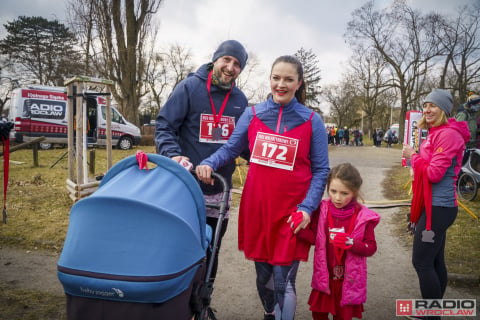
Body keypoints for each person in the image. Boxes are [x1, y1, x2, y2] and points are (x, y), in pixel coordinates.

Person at [196, 55, 330, 320]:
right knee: (264, 278)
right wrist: (208, 163)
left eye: (288, 79)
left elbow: (321, 170)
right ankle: (270, 312)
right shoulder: (252, 114)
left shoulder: (312, 120)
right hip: (259, 209)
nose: (281, 84)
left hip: (294, 213)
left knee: (284, 279)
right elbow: (231, 148)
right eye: (276, 78)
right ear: (270, 79)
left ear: (299, 83)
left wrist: (306, 208)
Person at [155, 39, 249, 284]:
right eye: (226, 60)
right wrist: (173, 155)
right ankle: (175, 302)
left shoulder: (240, 100)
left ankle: (201, 302)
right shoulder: (189, 87)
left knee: (211, 251)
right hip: (185, 187)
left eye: (237, 64)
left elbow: (246, 145)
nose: (230, 67)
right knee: (179, 246)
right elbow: (164, 126)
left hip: (219, 189)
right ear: (215, 59)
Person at [402, 89, 470, 320]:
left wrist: (413, 157)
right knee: (434, 260)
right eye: (425, 106)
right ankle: (433, 312)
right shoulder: (436, 132)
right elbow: (428, 168)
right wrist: (416, 168)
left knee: (421, 261)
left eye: (434, 106)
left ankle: (431, 315)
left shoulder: (448, 135)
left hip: (438, 209)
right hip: (433, 206)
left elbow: (433, 174)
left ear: (444, 110)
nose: (428, 110)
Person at [296, 163, 380, 320]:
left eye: (344, 193)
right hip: (324, 277)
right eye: (333, 191)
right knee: (318, 313)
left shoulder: (363, 217)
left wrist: (352, 243)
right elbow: (315, 238)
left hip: (348, 281)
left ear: (354, 192)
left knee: (342, 316)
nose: (337, 197)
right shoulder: (321, 210)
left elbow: (371, 247)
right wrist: (299, 230)